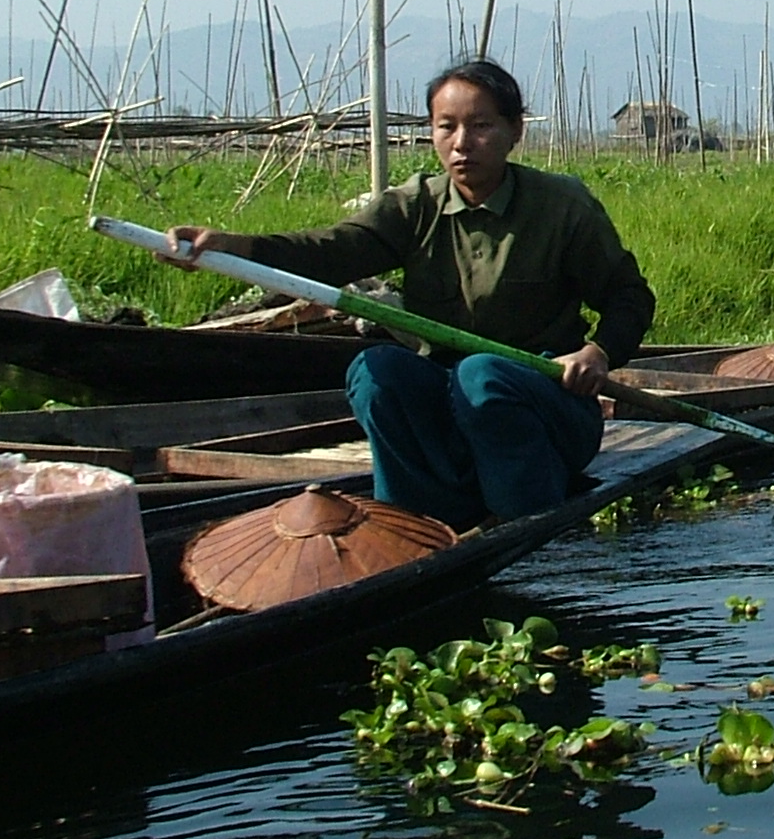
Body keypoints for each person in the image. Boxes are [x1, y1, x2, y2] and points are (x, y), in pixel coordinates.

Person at [166, 57, 655, 530]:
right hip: (450, 405)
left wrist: (597, 353)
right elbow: (330, 252)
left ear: (515, 131)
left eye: (481, 126)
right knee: (376, 371)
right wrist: (233, 247)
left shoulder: (562, 207)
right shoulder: (415, 206)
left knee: (482, 374)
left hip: (548, 409)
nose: (462, 143)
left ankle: (521, 514)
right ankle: (415, 521)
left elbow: (629, 296)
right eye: (447, 127)